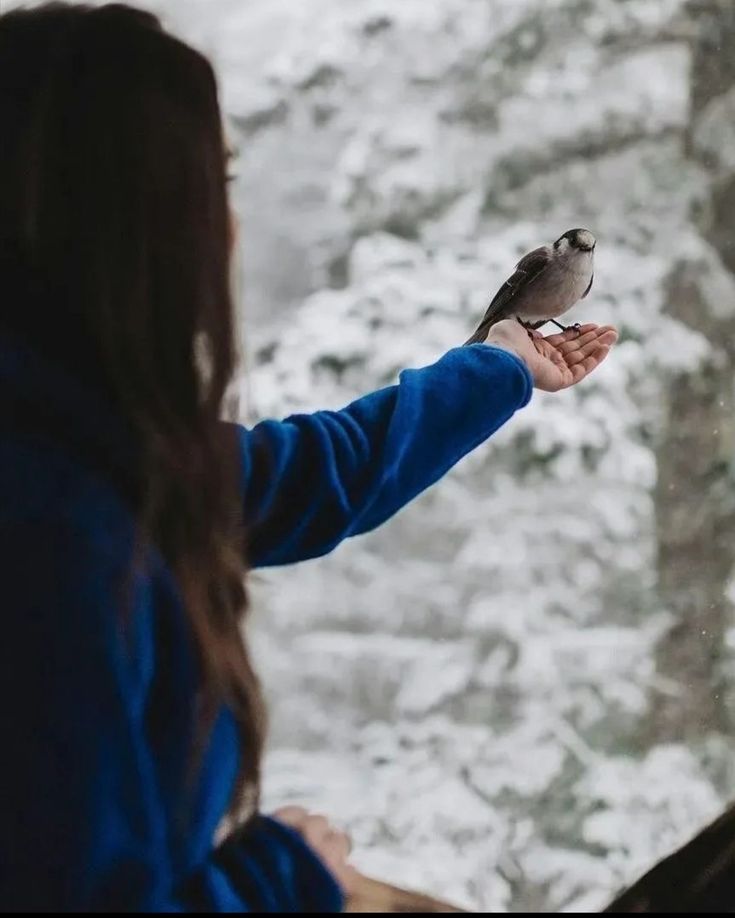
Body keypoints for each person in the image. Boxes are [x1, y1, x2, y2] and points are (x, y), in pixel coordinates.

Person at [0, 2, 618, 911]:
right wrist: (281, 879)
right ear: (122, 218)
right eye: (215, 182)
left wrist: (497, 367)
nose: (232, 226)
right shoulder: (51, 534)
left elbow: (308, 476)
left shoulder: (96, 449)